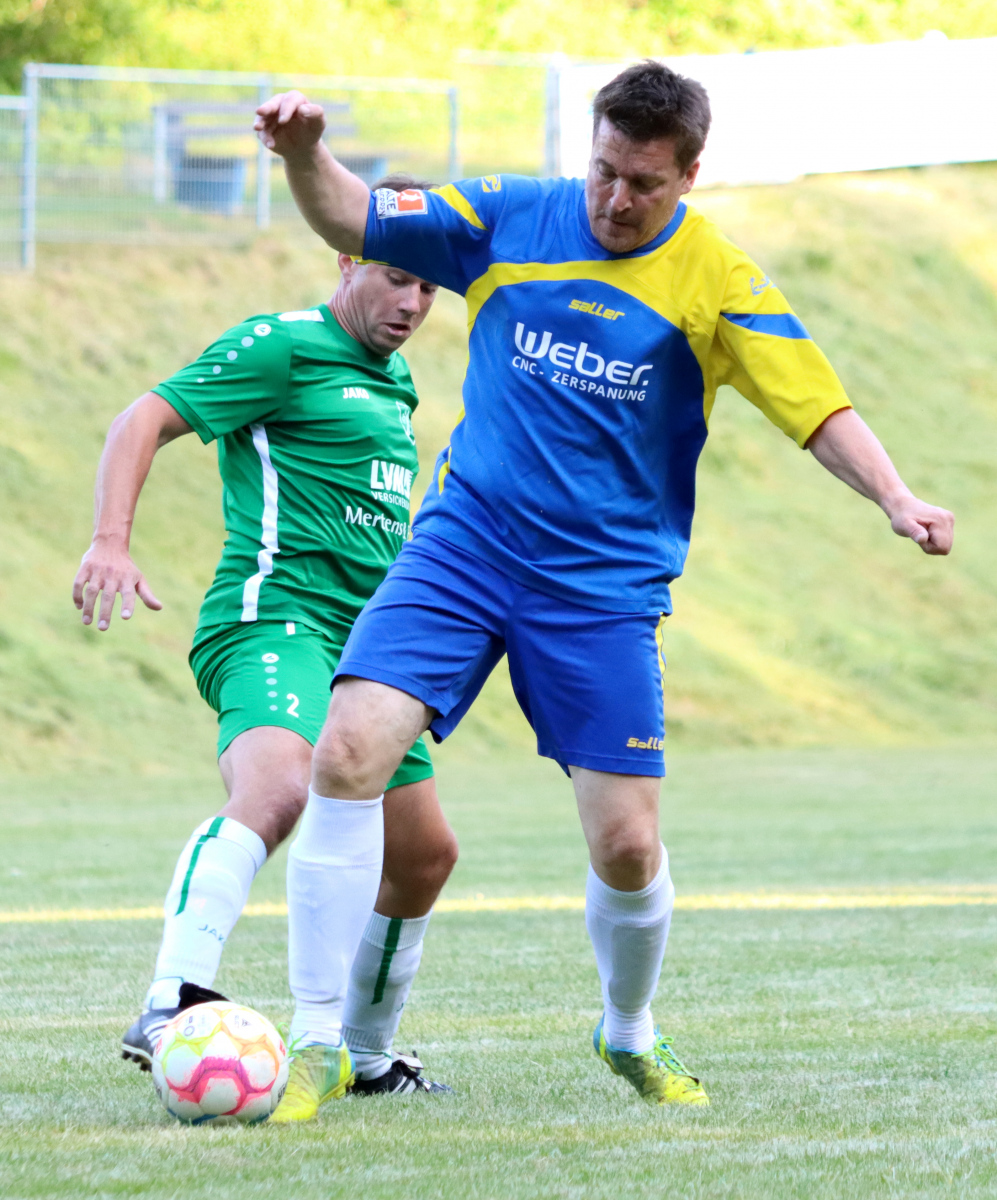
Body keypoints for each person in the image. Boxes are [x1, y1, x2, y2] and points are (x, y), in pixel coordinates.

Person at [254, 61, 954, 1111]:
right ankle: (320, 1040)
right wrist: (307, 153)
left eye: (644, 183)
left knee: (627, 845)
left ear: (689, 176)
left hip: (600, 588)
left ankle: (627, 1030)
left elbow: (815, 408)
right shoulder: (506, 215)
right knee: (348, 750)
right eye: (603, 171)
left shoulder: (718, 280)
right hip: (465, 546)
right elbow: (350, 215)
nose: (615, 199)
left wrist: (894, 496)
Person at [72, 175, 459, 1107]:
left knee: (423, 856)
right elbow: (143, 417)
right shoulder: (281, 344)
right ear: (347, 258)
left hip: (369, 654)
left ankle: (364, 1056)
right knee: (281, 788)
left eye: (428, 287)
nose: (412, 303)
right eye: (395, 277)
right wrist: (110, 541)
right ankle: (170, 997)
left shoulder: (395, 381)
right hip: (272, 617)